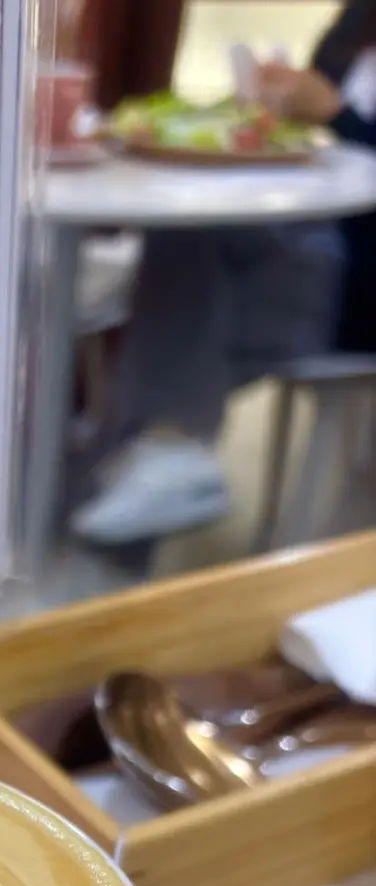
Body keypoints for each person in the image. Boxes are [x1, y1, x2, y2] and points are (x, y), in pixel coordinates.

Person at [71, 1, 376, 547]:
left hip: (357, 278)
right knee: (187, 226)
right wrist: (274, 104)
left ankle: (158, 447)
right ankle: (161, 451)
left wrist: (337, 114)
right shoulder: (361, 19)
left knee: (170, 307)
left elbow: (337, 116)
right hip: (309, 233)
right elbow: (316, 106)